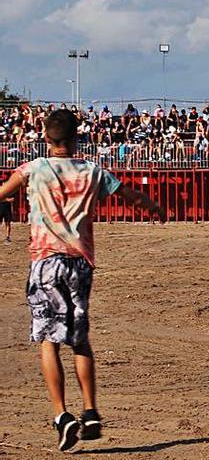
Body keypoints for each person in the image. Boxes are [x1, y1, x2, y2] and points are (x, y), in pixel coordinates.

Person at [0, 109, 164, 451]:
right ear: (77, 138)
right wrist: (151, 206)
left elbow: (3, 192)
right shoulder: (92, 172)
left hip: (45, 261)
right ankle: (91, 410)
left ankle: (62, 415)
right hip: (80, 262)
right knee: (80, 340)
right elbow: (129, 196)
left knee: (48, 340)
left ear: (45, 138)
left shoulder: (34, 170)